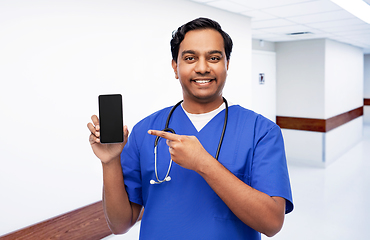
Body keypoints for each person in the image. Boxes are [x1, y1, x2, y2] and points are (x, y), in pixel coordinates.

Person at [87, 17, 293, 239]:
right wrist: (109, 163)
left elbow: (272, 223)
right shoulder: (145, 131)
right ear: (175, 67)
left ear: (227, 65)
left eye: (214, 58)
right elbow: (119, 224)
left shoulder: (261, 132)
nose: (202, 68)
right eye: (190, 58)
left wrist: (203, 163)